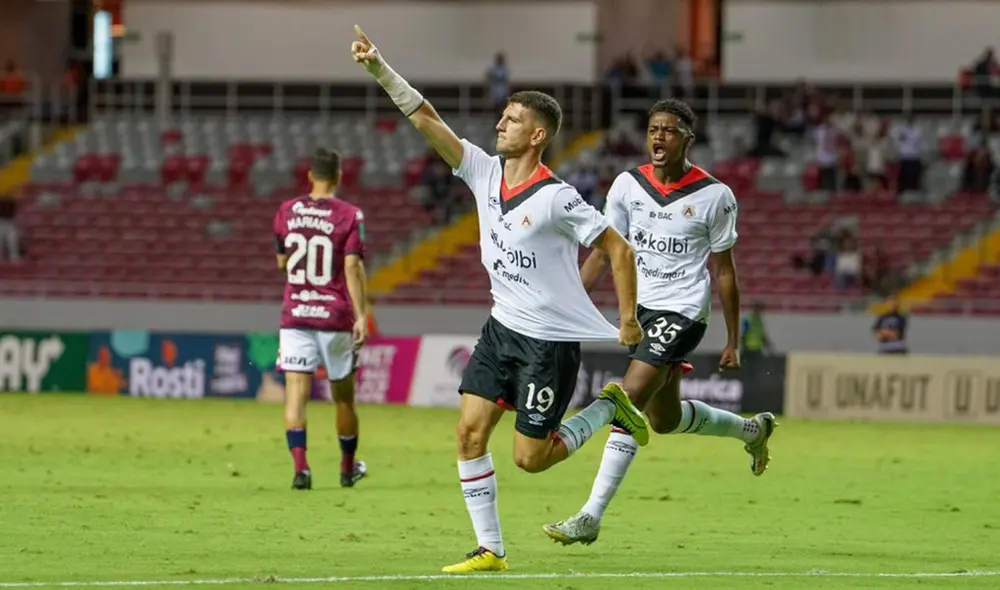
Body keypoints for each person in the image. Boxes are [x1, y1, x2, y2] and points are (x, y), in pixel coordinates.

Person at [351, 25, 648, 573]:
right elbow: (426, 120)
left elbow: (618, 249)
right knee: (467, 432)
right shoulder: (482, 171)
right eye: (502, 116)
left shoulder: (559, 198)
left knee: (531, 460)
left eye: (511, 121)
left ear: (537, 136)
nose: (499, 124)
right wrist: (379, 69)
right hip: (501, 328)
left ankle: (609, 407)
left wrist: (627, 320)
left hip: (548, 343)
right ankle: (491, 550)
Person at [542, 99, 778, 546]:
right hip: (641, 309)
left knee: (627, 398)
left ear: (688, 140)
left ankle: (591, 515)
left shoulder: (714, 196)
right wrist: (565, 305)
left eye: (669, 130)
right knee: (663, 419)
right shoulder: (627, 185)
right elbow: (603, 251)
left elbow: (724, 271)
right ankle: (753, 429)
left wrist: (732, 339)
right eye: (653, 129)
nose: (658, 137)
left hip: (685, 310)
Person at [273, 148, 370, 491]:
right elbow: (352, 267)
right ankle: (346, 469)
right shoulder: (349, 215)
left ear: (310, 175)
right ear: (339, 177)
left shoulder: (286, 211)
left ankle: (301, 469)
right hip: (335, 317)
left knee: (295, 396)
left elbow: (282, 263)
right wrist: (362, 315)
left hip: (296, 315)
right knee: (343, 397)